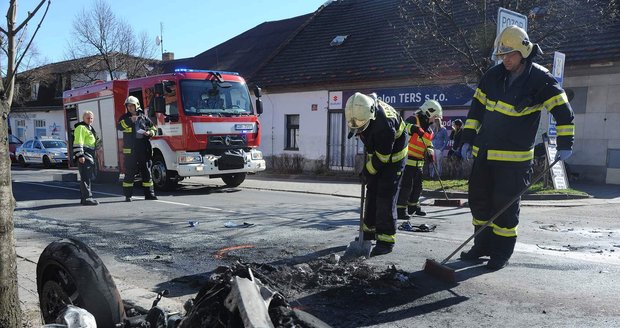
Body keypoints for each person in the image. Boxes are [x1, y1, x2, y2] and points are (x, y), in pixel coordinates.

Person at [459, 26, 575, 270]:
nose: (505, 60)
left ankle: (500, 253)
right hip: (484, 155)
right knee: (479, 204)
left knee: (505, 208)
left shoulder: (541, 79)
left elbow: (564, 113)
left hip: (514, 161)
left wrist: (565, 144)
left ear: (524, 50)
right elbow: (476, 111)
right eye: (502, 55)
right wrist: (467, 138)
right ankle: (482, 246)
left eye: (509, 54)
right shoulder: (492, 76)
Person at [345, 92, 408, 256]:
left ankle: (386, 240)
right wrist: (369, 176)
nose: (358, 133)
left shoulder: (384, 125)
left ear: (371, 116)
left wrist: (367, 171)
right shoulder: (361, 109)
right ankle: (368, 233)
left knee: (385, 195)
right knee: (372, 191)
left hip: (393, 157)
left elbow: (383, 157)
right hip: (380, 153)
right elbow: (374, 149)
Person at [396, 100, 439, 219]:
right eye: (435, 117)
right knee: (406, 186)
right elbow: (403, 128)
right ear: (429, 112)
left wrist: (431, 152)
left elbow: (429, 144)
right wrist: (414, 128)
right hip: (407, 161)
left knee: (418, 187)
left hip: (419, 163)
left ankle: (413, 207)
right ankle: (400, 210)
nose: (435, 119)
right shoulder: (414, 120)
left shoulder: (429, 130)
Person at [117, 96, 158, 202]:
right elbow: (119, 127)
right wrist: (130, 120)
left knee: (146, 172)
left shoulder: (144, 117)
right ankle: (128, 195)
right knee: (130, 173)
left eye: (132, 106)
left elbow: (154, 128)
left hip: (143, 149)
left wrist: (150, 132)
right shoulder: (124, 118)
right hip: (131, 151)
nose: (130, 108)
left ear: (137, 106)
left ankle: (150, 194)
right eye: (128, 106)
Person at [73, 111, 99, 206]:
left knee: (87, 177)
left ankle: (85, 198)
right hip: (85, 154)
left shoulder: (90, 128)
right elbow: (78, 142)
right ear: (83, 118)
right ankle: (87, 198)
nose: (90, 120)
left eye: (91, 118)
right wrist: (80, 155)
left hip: (89, 154)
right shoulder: (81, 128)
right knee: (85, 177)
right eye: (88, 118)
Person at [429, 115, 448, 179]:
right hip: (433, 148)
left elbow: (446, 140)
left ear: (438, 122)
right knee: (432, 162)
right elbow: (431, 138)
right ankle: (431, 175)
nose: (434, 123)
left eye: (435, 122)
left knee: (438, 163)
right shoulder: (433, 129)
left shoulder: (443, 129)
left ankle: (439, 175)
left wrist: (442, 149)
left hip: (439, 148)